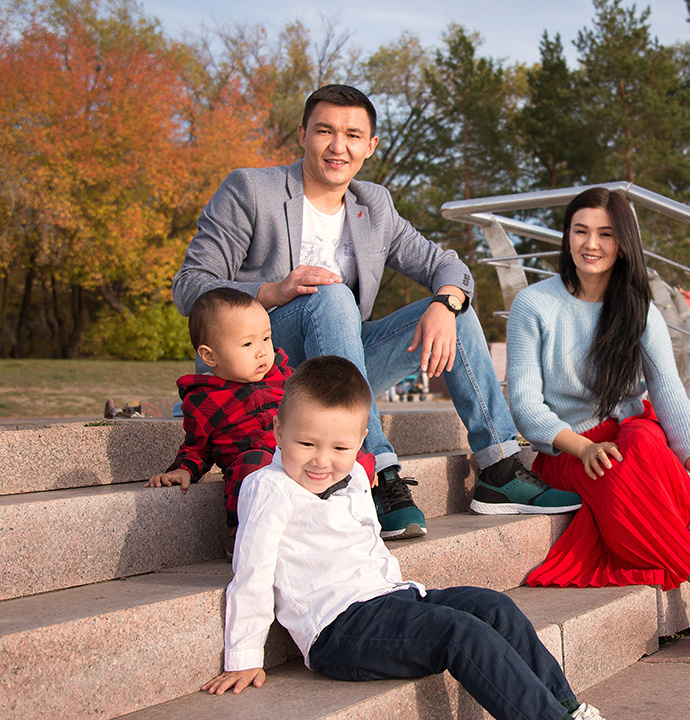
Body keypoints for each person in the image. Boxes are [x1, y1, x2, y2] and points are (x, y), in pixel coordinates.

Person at [172, 84, 580, 540]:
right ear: (303, 134)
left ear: (370, 146)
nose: (337, 146)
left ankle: (500, 469)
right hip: (260, 366)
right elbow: (191, 285)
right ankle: (377, 471)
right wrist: (272, 289)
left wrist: (445, 304)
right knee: (332, 295)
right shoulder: (251, 190)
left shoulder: (375, 206)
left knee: (454, 308)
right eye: (325, 131)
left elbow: (446, 264)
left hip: (341, 357)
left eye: (352, 135)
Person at [200, 355, 604, 720]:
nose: (322, 460)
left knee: (493, 606)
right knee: (462, 635)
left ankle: (568, 708)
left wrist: (405, 598)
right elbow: (251, 573)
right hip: (338, 628)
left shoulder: (355, 475)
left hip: (392, 598)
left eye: (339, 447)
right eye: (306, 443)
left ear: (360, 442)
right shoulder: (269, 488)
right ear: (278, 429)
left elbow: (367, 548)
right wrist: (244, 654)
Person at [506, 188, 690, 652]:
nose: (591, 244)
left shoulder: (640, 309)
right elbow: (524, 404)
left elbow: (670, 396)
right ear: (566, 237)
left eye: (605, 233)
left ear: (623, 243)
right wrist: (582, 447)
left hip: (628, 435)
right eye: (580, 231)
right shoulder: (534, 304)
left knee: (643, 436)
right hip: (568, 447)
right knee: (619, 460)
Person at [145, 288, 294, 548]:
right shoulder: (206, 400)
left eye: (266, 339)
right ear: (210, 356)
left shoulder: (285, 377)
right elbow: (197, 447)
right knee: (257, 461)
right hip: (252, 471)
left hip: (294, 456)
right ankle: (241, 535)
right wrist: (184, 469)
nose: (262, 352)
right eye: (248, 344)